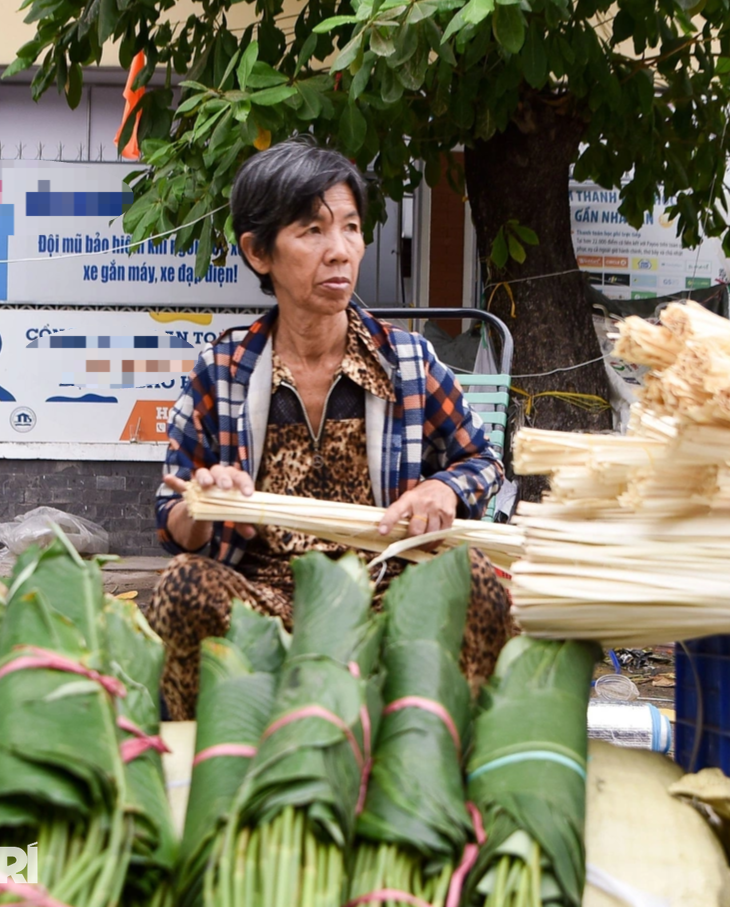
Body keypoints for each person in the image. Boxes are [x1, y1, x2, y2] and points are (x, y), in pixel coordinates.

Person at [145, 139, 511, 719]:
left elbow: (483, 463)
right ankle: (218, 765)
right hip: (266, 598)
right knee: (181, 585)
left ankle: (432, 758)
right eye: (312, 231)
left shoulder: (408, 362)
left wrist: (444, 490)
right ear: (258, 252)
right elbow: (170, 520)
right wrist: (202, 504)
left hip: (389, 592)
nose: (339, 251)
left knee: (481, 584)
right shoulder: (225, 370)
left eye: (349, 227)